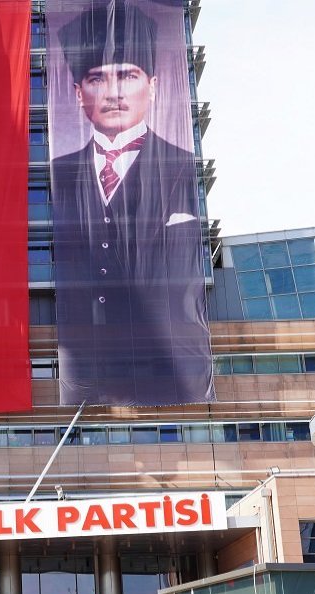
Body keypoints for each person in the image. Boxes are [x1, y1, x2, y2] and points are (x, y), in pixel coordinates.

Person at [50, 0, 213, 407]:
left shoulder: (182, 167)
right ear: (78, 93)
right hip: (84, 383)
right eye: (97, 78)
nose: (113, 93)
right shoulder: (57, 176)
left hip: (165, 377)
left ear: (153, 86)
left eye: (127, 75)